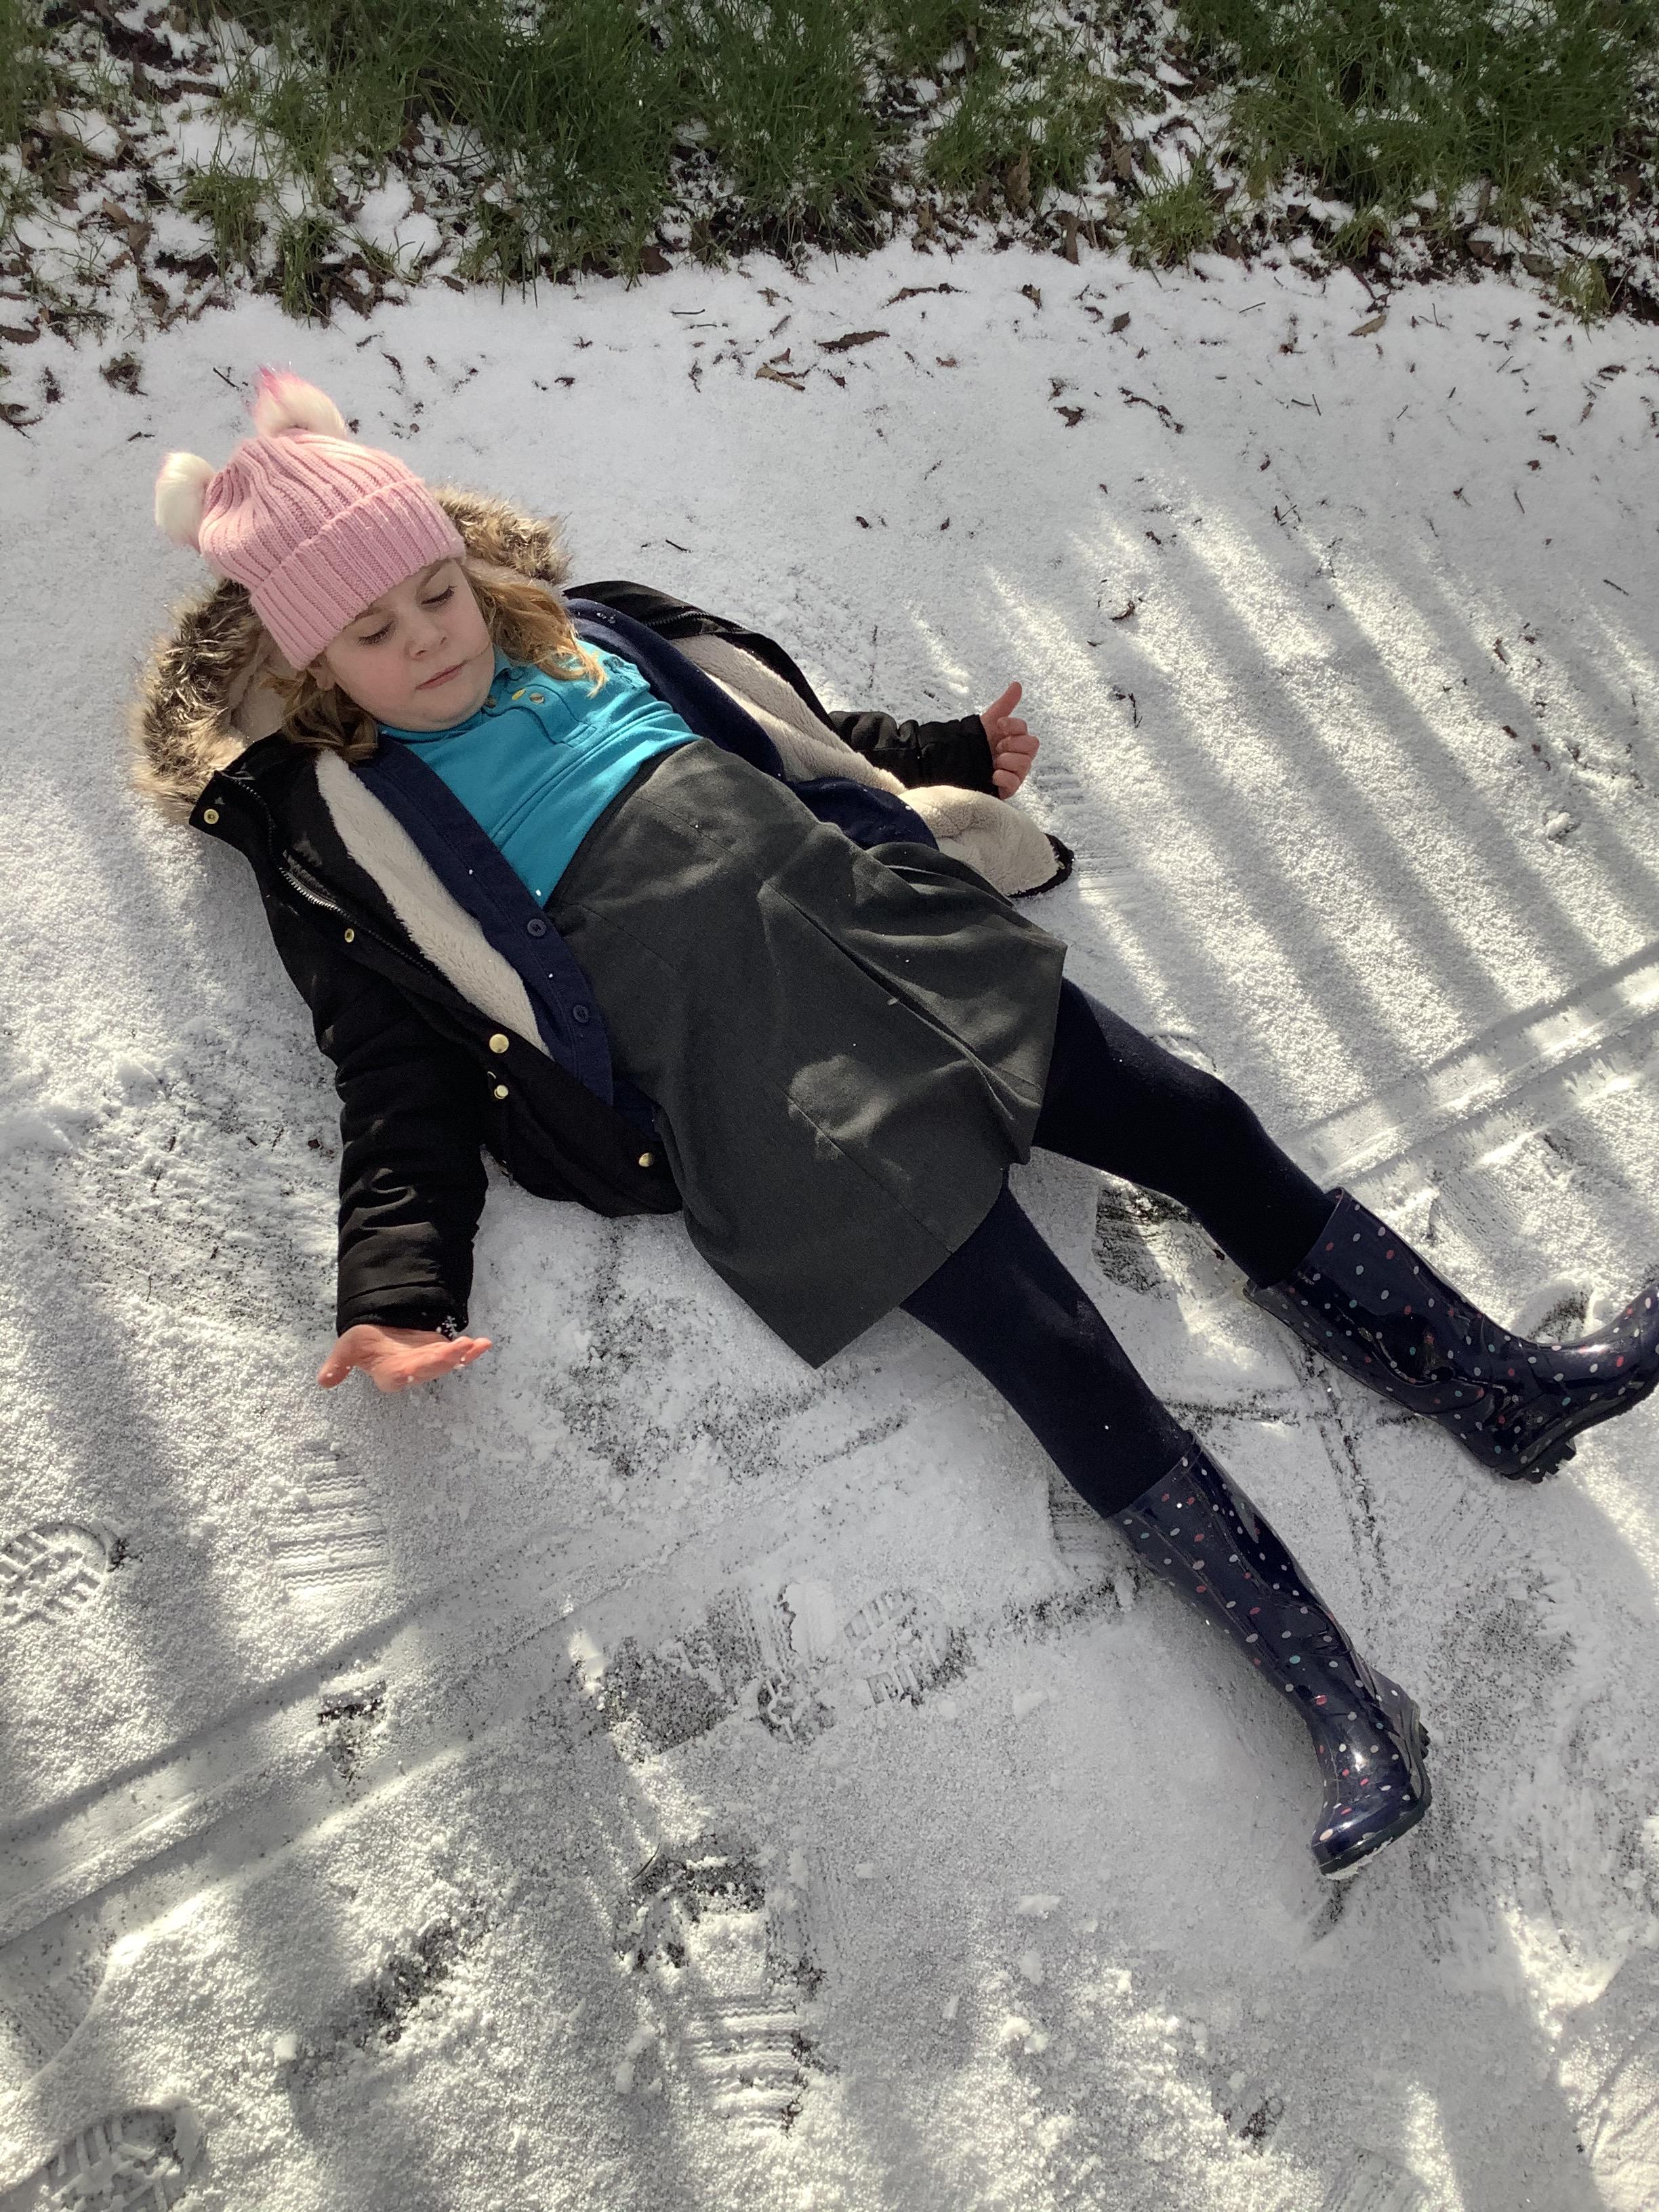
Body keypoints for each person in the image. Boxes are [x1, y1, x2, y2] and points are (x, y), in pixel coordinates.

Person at [134, 370, 1659, 1881]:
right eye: (375, 633)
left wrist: (941, 754)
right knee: (1053, 1350)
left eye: (437, 593)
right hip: (768, 1088)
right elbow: (389, 1069)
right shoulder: (346, 827)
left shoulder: (597, 634)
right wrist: (399, 1282)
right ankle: (1339, 1701)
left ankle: (1496, 1387)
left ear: (466, 561)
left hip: (888, 930)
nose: (428, 641)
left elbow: (788, 727)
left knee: (1195, 1121)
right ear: (314, 664)